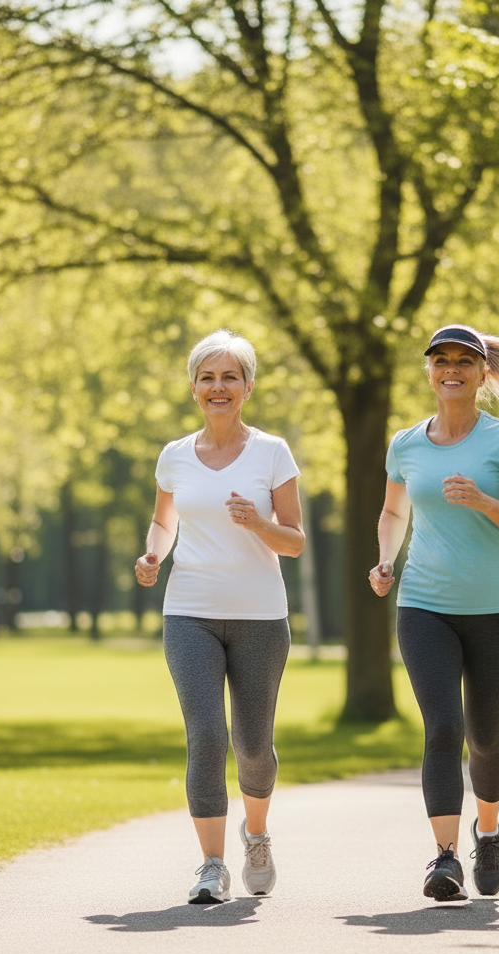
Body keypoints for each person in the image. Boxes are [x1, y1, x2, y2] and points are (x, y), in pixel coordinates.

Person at [369, 323, 499, 901]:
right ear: (429, 371)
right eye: (440, 360)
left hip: (497, 608)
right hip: (424, 604)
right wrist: (384, 561)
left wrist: (483, 501)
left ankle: (489, 831)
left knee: (485, 737)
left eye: (463, 361)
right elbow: (393, 513)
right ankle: (445, 857)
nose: (451, 369)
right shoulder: (406, 444)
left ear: (482, 374)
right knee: (443, 728)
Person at [135, 329, 304, 905]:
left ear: (248, 387)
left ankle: (255, 835)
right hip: (190, 612)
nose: (218, 387)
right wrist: (154, 552)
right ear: (193, 389)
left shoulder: (272, 452)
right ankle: (211, 865)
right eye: (208, 377)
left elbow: (296, 542)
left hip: (260, 617)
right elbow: (164, 521)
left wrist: (258, 524)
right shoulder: (175, 456)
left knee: (253, 746)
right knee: (207, 736)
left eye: (230, 376)